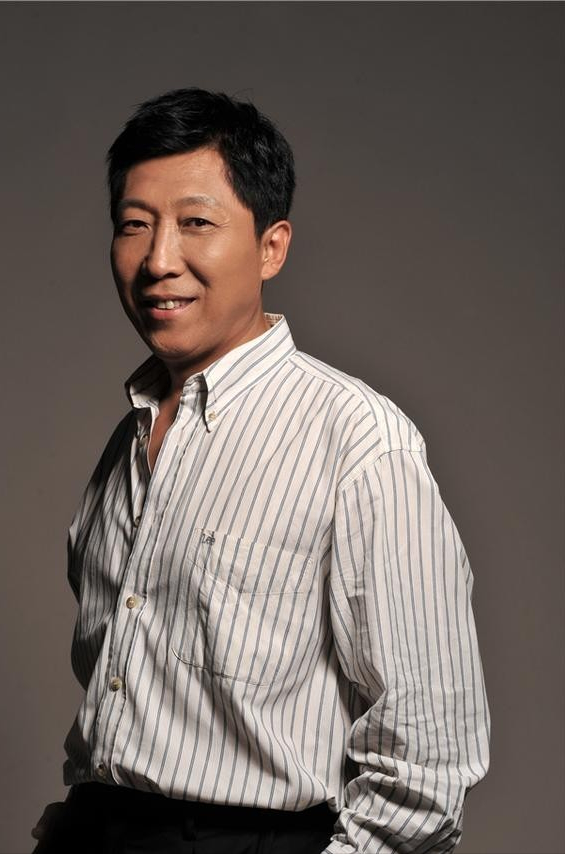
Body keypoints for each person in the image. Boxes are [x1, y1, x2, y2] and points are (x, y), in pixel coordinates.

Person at [32, 88, 490, 853]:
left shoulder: (357, 439)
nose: (158, 261)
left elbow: (428, 758)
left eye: (196, 223)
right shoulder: (128, 440)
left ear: (271, 247)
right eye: (134, 225)